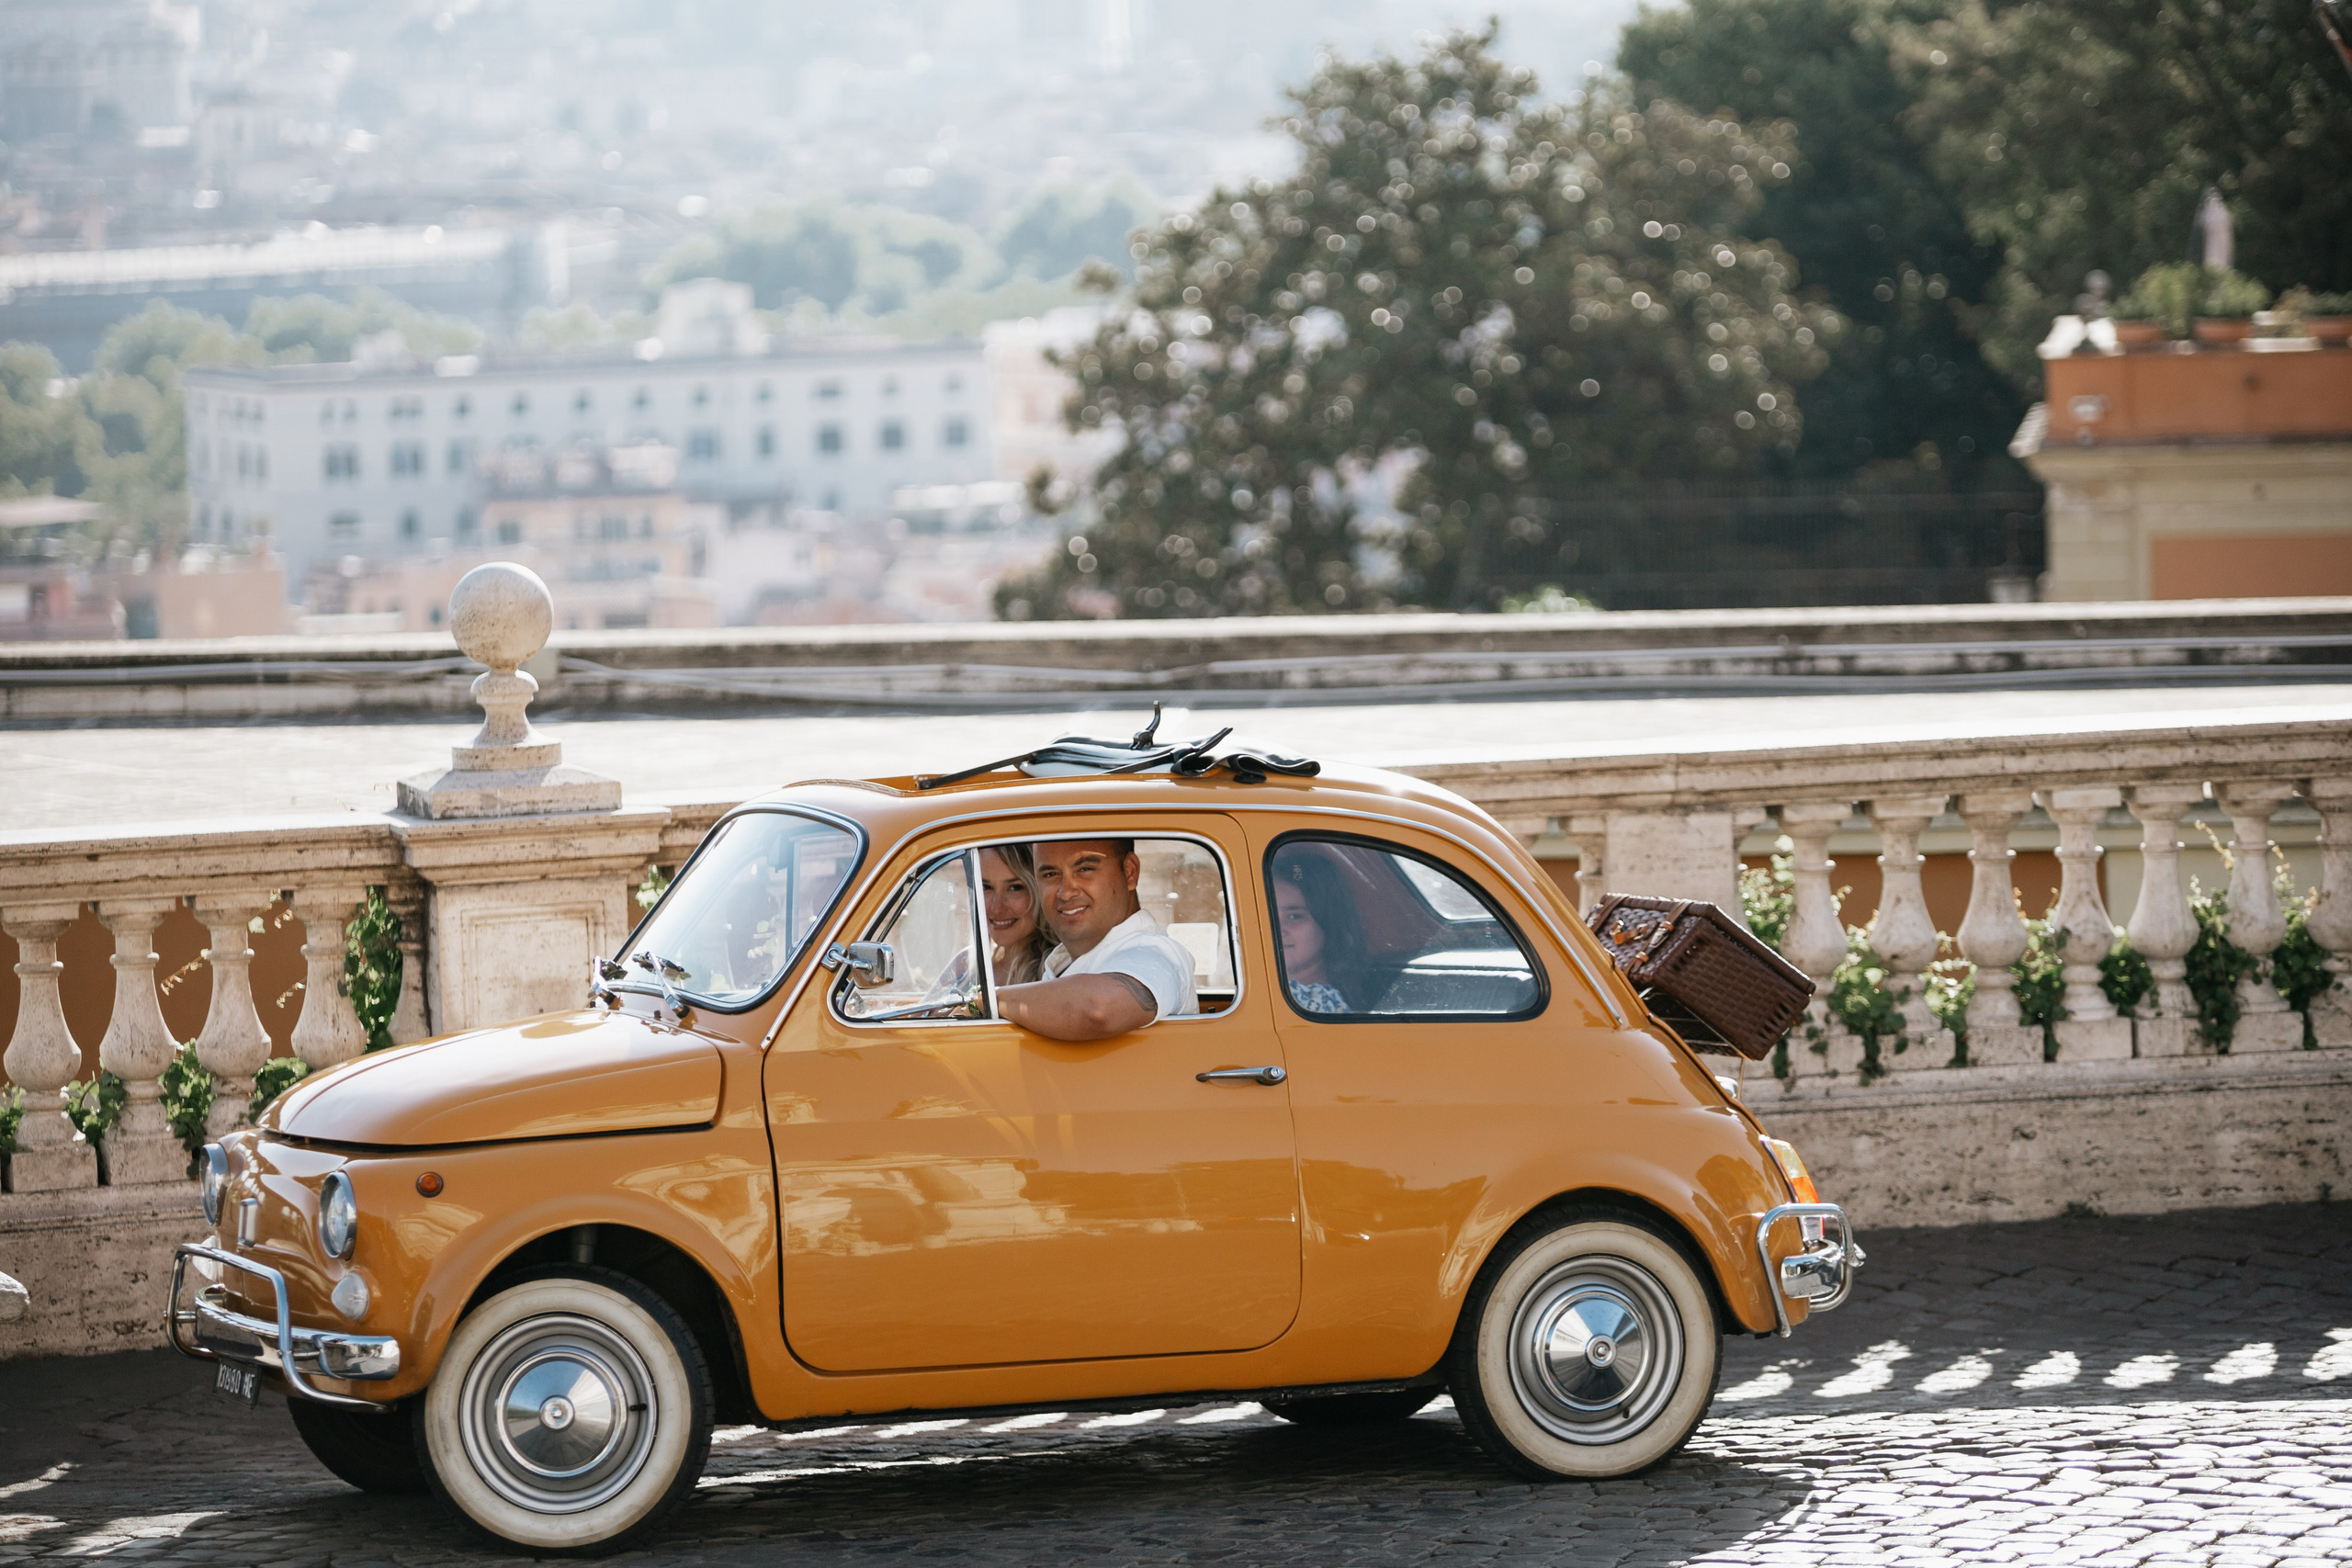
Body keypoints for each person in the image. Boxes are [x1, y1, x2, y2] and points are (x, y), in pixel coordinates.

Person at [996, 838, 1197, 1041]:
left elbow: (1098, 1009)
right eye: (1051, 875)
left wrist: (984, 1003)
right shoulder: (1062, 960)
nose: (1065, 892)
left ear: (1130, 872)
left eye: (1085, 869)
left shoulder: (1157, 952)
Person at [1272, 849, 1370, 1013]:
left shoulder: (1323, 1004)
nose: (1276, 928)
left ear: (1330, 923)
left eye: (1295, 916)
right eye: (1268, 914)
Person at [978, 843, 1054, 987]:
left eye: (1015, 888)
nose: (997, 907)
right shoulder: (967, 963)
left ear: (1039, 891)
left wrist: (971, 1008)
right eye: (986, 887)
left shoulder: (1053, 971)